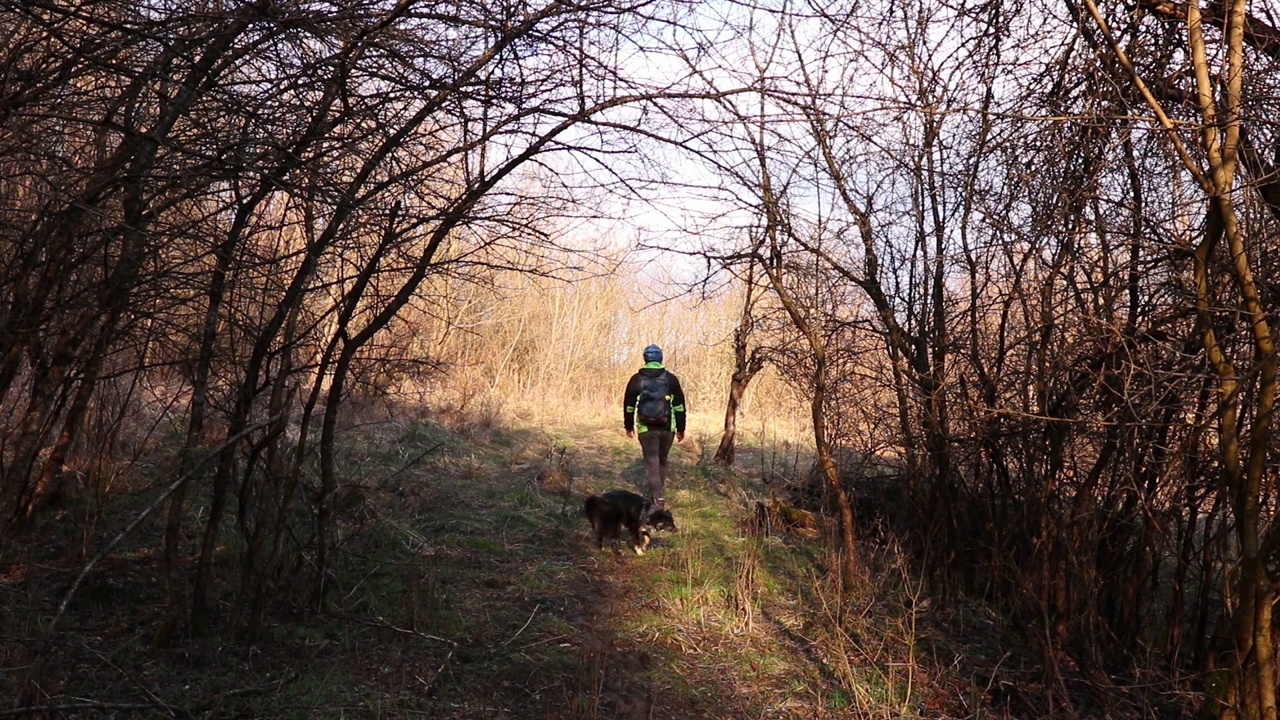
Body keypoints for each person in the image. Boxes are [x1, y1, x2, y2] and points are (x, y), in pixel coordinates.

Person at [623, 344, 686, 508]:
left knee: (652, 463)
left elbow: (629, 405)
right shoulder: (670, 379)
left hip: (645, 427)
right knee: (662, 460)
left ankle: (658, 498)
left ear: (645, 359)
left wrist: (628, 426)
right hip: (667, 427)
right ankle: (658, 498)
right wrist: (681, 428)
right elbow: (679, 406)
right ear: (660, 359)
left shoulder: (636, 379)